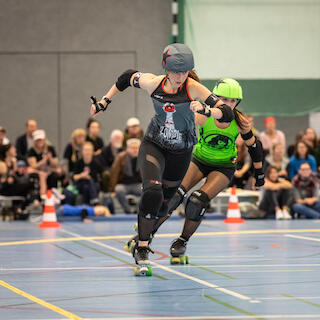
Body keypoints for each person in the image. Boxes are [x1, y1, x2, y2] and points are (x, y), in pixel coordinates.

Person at [90, 43, 235, 270]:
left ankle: (143, 236)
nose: (181, 77)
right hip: (154, 144)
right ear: (166, 69)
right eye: (176, 72)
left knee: (165, 206)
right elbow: (126, 77)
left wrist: (208, 110)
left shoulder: (194, 88)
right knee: (152, 192)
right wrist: (105, 101)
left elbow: (226, 113)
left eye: (185, 72)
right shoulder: (153, 83)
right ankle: (142, 247)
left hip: (182, 151)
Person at [134, 78, 265, 259]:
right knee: (174, 196)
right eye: (224, 100)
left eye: (233, 101)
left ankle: (182, 240)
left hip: (224, 166)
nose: (228, 104)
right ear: (216, 98)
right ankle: (146, 235)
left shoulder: (240, 121)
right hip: (198, 159)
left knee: (197, 201)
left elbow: (254, 147)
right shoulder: (204, 115)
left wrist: (259, 173)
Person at [109, 138, 142, 213]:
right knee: (118, 190)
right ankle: (128, 210)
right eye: (133, 148)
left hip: (137, 184)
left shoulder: (143, 157)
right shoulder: (120, 157)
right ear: (127, 149)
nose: (135, 150)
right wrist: (112, 190)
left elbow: (147, 174)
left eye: (137, 148)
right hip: (123, 184)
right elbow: (114, 174)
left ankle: (138, 209)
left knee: (148, 190)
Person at [27, 130, 62, 197]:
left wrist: (50, 159)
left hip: (49, 171)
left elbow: (56, 163)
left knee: (56, 174)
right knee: (41, 175)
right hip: (38, 172)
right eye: (38, 140)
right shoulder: (32, 151)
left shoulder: (50, 148)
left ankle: (53, 194)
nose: (40, 142)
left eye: (41, 140)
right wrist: (43, 161)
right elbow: (33, 166)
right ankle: (42, 195)